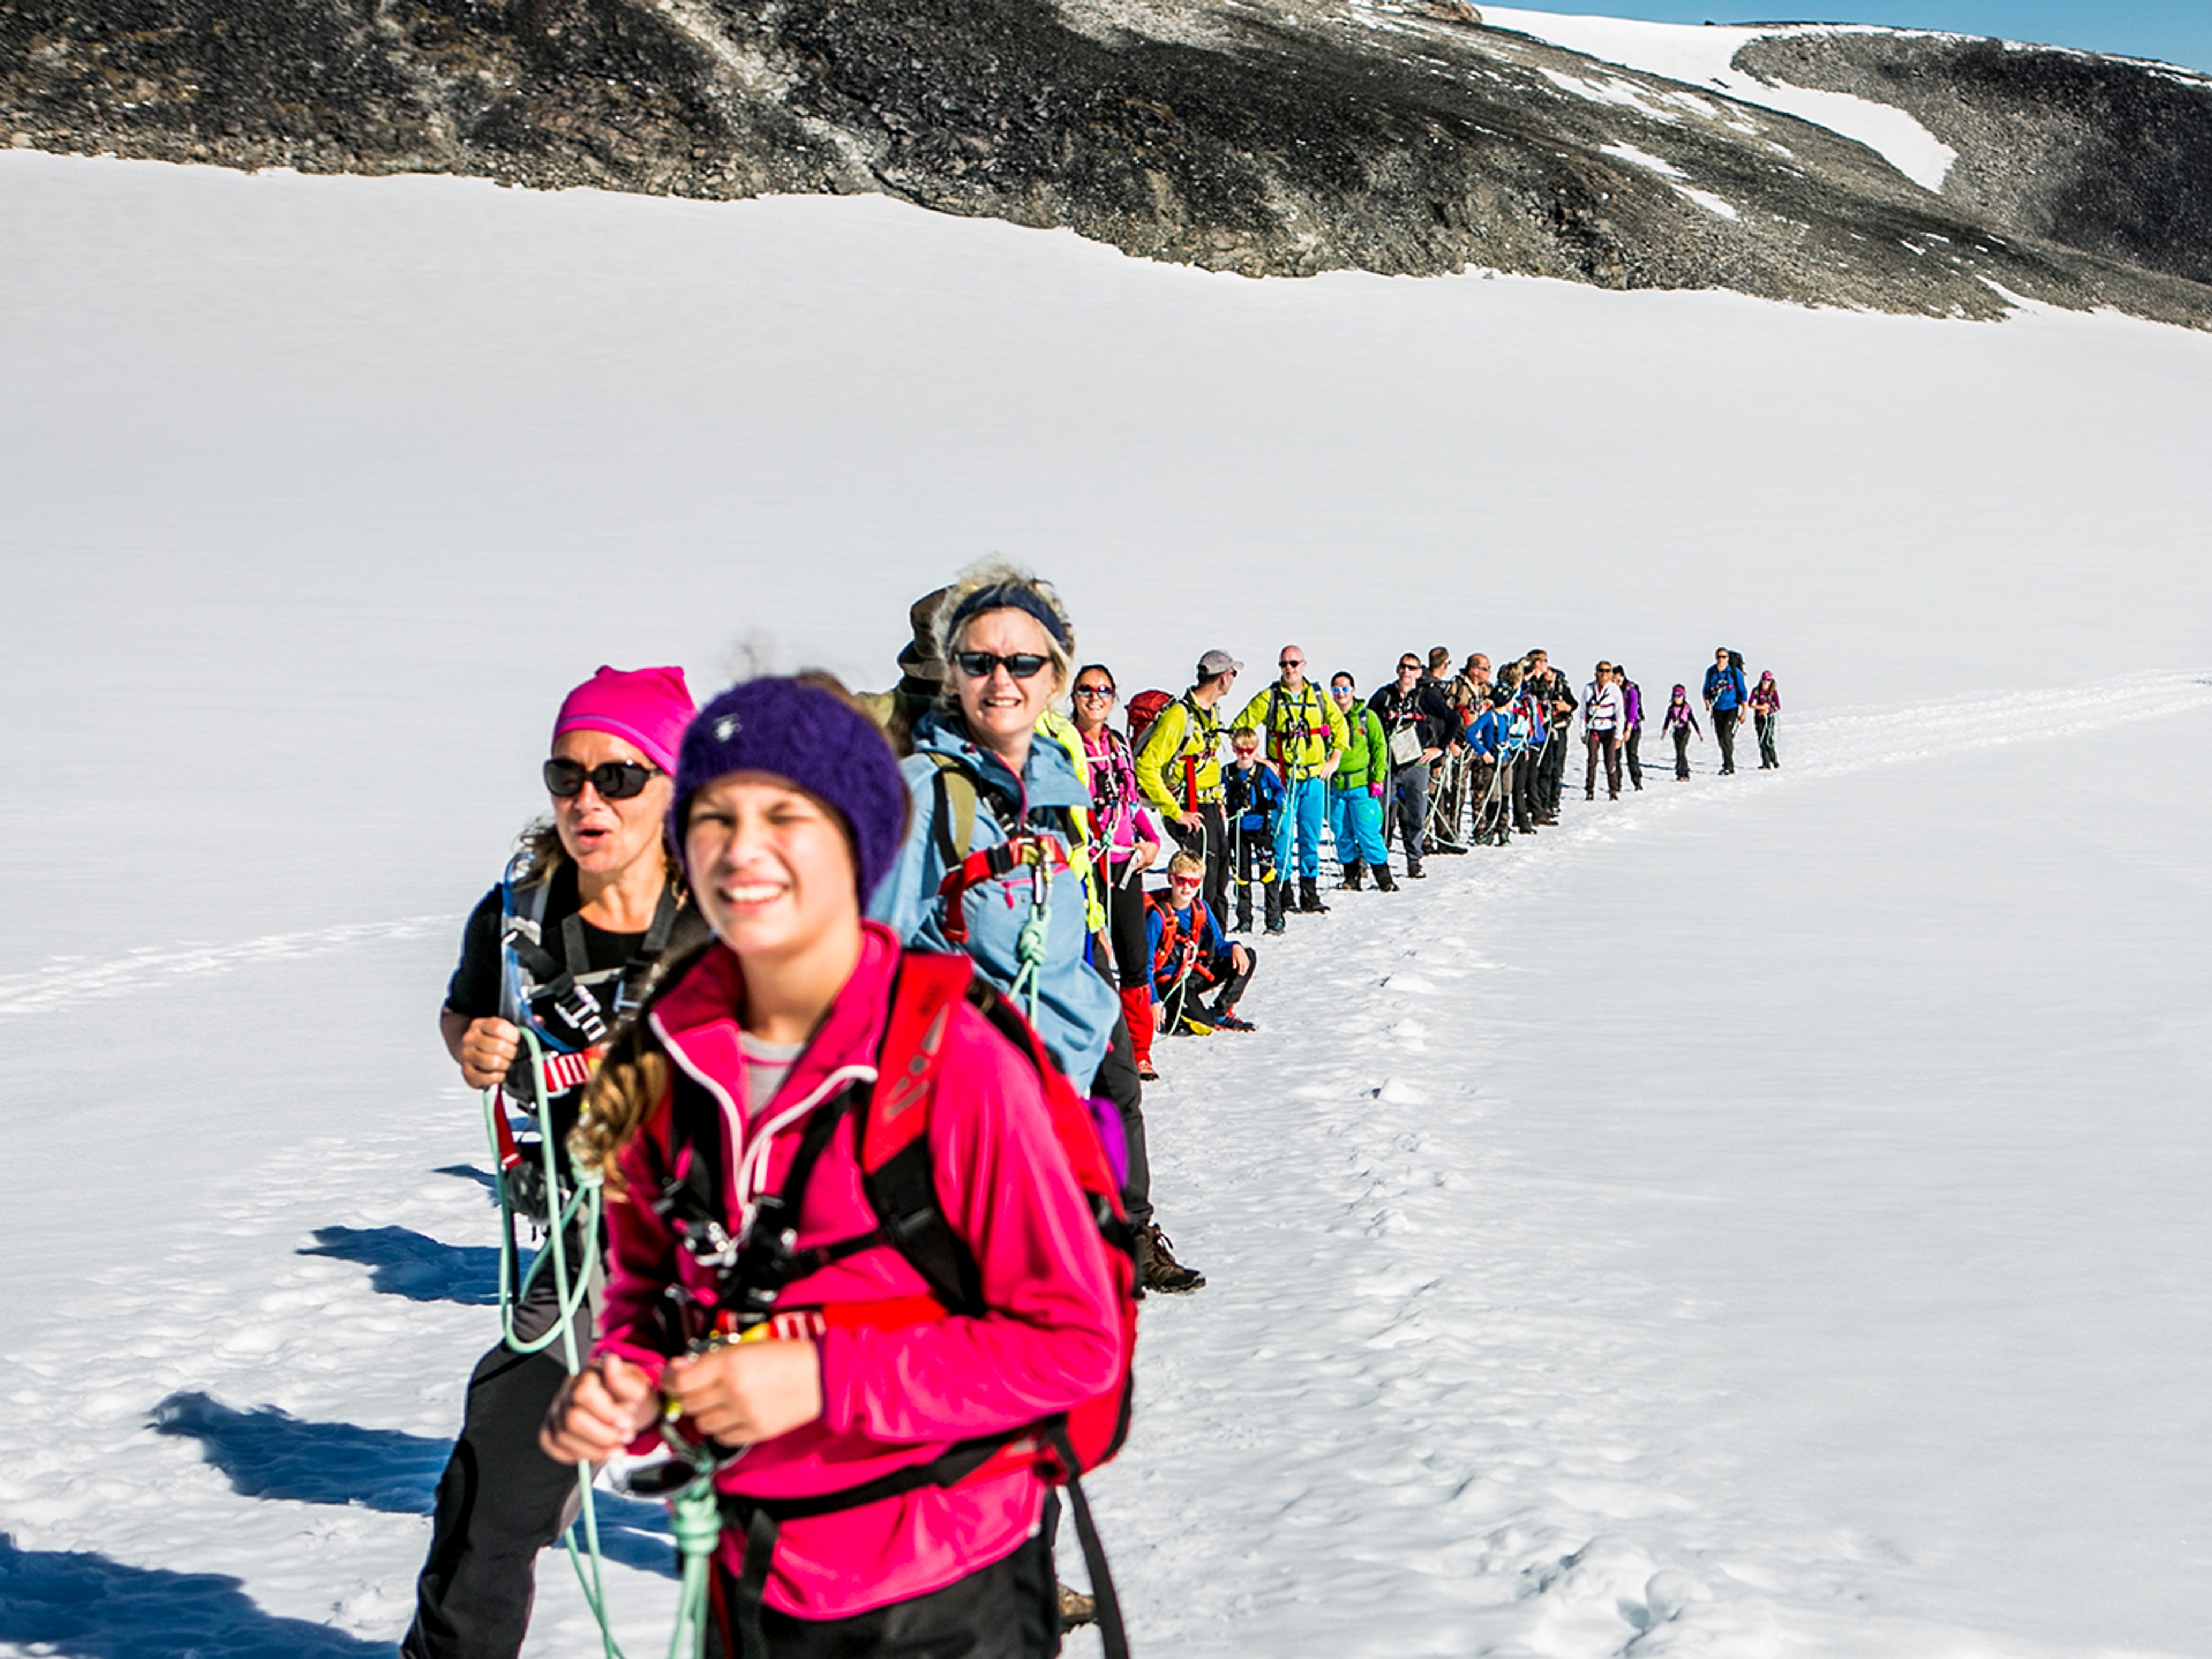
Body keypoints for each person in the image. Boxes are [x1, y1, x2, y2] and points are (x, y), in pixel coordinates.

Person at [543, 673, 1128, 1659]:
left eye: (787, 815)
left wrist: (821, 1378)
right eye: (715, 816)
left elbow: (1074, 1348)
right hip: (751, 1574)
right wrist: (633, 1384)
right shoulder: (664, 1057)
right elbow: (653, 1295)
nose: (744, 847)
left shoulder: (951, 1058)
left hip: (949, 1583)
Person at [404, 665, 700, 1659]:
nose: (588, 800)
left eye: (620, 776)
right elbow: (466, 1007)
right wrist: (473, 1047)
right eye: (566, 775)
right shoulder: (517, 912)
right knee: (496, 1476)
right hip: (594, 1243)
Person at [872, 563, 1199, 1295]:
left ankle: (1126, 1232)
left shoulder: (1047, 760)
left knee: (1118, 1095)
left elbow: (1063, 859)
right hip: (987, 1048)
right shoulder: (925, 790)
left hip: (1076, 966)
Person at [1071, 665, 1164, 1080]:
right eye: (1086, 690)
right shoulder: (1063, 745)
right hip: (1084, 866)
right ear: (1073, 695)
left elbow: (1130, 803)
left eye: (1104, 690)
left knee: (1133, 958)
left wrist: (1152, 841)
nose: (1095, 698)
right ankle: (1088, 1046)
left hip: (1125, 864)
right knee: (1087, 957)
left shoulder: (1120, 745)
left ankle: (1136, 1050)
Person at [1231, 646, 1349, 915]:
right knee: (1282, 836)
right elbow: (1240, 728)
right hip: (1282, 781)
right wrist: (1259, 760)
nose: (1289, 668)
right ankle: (1284, 893)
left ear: (1304, 664)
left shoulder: (1317, 696)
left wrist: (1334, 759)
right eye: (1284, 664)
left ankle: (1310, 891)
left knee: (1310, 835)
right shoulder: (1270, 697)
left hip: (1314, 778)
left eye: (1294, 663)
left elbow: (1341, 727)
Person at [1135, 650, 1240, 928]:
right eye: (1233, 674)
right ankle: (1195, 953)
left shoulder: (1210, 712)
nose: (1233, 680)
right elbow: (1146, 766)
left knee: (1218, 880)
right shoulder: (1179, 716)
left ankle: (1216, 948)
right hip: (1189, 809)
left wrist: (1217, 798)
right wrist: (1175, 811)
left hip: (1208, 807)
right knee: (1198, 885)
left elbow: (1208, 761)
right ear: (1222, 678)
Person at [1145, 850, 1258, 1035]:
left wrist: (1235, 947)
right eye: (1181, 880)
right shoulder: (1158, 917)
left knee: (1248, 956)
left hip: (1193, 973)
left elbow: (1219, 944)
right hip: (1170, 982)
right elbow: (1145, 964)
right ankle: (1178, 1013)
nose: (1187, 888)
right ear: (1171, 879)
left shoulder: (1201, 907)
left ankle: (1220, 1011)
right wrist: (1153, 1001)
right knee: (1204, 1028)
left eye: (1194, 882)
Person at [1368, 652, 1457, 880]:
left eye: (1411, 668)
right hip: (1388, 764)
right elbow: (1366, 720)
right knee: (1378, 814)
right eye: (1403, 667)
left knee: (1416, 814)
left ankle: (1414, 860)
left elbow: (1453, 719)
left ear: (1419, 673)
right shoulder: (1384, 696)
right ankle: (1372, 861)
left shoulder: (1425, 697)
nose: (1406, 671)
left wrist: (1440, 748)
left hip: (1417, 764)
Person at [1326, 672, 1395, 892]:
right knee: (1341, 832)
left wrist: (1378, 778)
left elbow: (1379, 747)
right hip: (1336, 788)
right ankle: (1351, 877)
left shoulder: (1367, 717)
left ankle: (1384, 878)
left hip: (1361, 786)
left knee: (1368, 832)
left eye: (1345, 689)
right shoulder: (1327, 717)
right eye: (1336, 689)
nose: (1341, 694)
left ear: (1353, 691)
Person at [1221, 726, 1287, 934]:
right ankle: (1244, 919)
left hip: (1260, 828)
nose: (1245, 755)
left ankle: (1274, 920)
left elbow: (1280, 790)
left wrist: (1273, 803)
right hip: (1238, 829)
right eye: (1240, 750)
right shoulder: (1228, 772)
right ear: (1234, 749)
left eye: (1249, 750)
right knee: (1241, 875)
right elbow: (1216, 792)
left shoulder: (1263, 771)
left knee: (1268, 874)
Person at [1523, 650, 1577, 821]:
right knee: (1542, 769)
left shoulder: (1560, 682)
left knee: (1557, 767)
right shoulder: (1531, 682)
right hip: (1541, 731)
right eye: (1544, 661)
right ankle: (1541, 803)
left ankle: (1552, 801)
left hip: (1559, 728)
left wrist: (1565, 707)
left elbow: (1573, 703)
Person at [1463, 688, 1511, 843]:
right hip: (1492, 762)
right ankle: (1490, 830)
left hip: (1506, 760)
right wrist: (1483, 752)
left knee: (1505, 794)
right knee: (1493, 796)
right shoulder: (1489, 717)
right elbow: (1470, 733)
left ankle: (1504, 830)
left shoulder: (1507, 717)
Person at [1582, 660, 1625, 801]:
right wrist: (1583, 732)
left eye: (1607, 671)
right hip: (1594, 729)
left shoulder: (1614, 690)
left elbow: (1620, 714)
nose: (1604, 674)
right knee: (1592, 760)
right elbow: (1583, 713)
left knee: (1610, 761)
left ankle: (1613, 790)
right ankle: (1590, 790)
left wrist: (1619, 736)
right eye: (1601, 671)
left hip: (1609, 729)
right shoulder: (1589, 689)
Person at [1702, 647, 1748, 775]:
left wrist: (1744, 712)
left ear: (1728, 658)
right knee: (1721, 738)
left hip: (1731, 708)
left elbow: (1743, 692)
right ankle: (1727, 761)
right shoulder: (1711, 672)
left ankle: (1729, 765)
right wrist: (1707, 703)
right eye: (1719, 657)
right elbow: (1706, 690)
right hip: (1717, 709)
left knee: (1727, 735)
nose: (1721, 660)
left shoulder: (1734, 672)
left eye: (1724, 657)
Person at [1616, 664, 1646, 791]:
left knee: (1631, 754)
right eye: (1613, 680)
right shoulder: (1611, 691)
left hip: (1632, 728)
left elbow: (1633, 713)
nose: (1616, 683)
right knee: (1615, 757)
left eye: (1618, 680)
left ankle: (1637, 781)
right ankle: (1616, 783)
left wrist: (1627, 729)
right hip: (1616, 728)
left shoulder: (1631, 691)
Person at [1662, 684, 1702, 779]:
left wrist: (1699, 732)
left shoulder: (1687, 708)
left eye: (1679, 696)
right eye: (1675, 696)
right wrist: (1664, 731)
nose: (1677, 699)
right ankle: (1679, 770)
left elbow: (1693, 720)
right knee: (1678, 751)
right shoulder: (1671, 709)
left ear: (1683, 697)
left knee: (1682, 751)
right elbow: (1667, 720)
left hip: (1685, 730)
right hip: (1676, 731)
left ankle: (1684, 772)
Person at [1751, 670, 1782, 768]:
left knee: (1769, 739)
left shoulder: (1773, 692)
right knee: (1762, 740)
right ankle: (1766, 762)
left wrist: (1768, 709)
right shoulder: (1756, 691)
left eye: (1768, 680)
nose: (1765, 682)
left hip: (1769, 719)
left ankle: (1774, 760)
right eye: (1764, 680)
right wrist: (1761, 708)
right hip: (1759, 718)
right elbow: (1751, 704)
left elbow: (1777, 706)